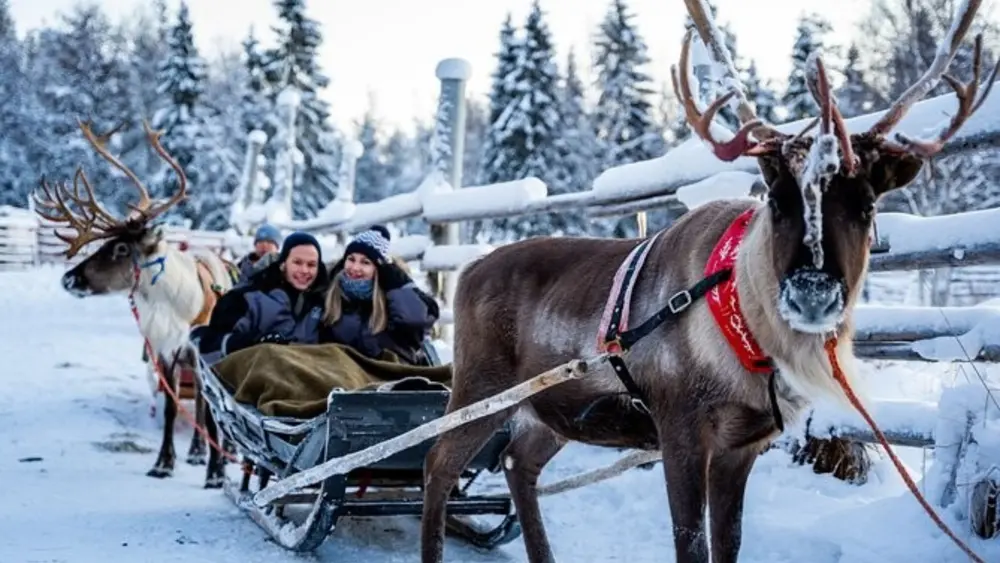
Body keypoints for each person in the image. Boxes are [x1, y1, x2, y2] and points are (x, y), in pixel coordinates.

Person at [195, 231, 330, 365]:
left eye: (311, 265)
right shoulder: (246, 299)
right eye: (297, 262)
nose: (305, 270)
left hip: (312, 376)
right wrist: (255, 342)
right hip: (255, 377)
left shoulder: (323, 303)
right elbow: (208, 347)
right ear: (283, 264)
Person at [320, 225, 439, 365]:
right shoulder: (332, 296)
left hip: (391, 375)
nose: (355, 268)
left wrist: (396, 283)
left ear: (380, 269)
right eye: (351, 259)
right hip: (346, 377)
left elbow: (414, 321)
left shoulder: (393, 299)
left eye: (365, 262)